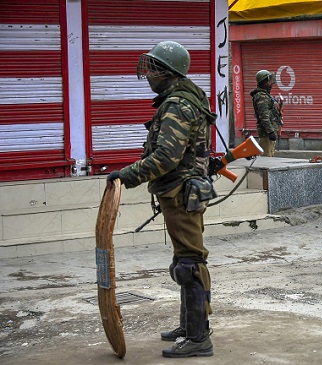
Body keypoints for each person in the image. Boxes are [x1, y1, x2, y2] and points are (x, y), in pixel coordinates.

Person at [105, 40, 217, 358]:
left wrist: (127, 175)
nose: (149, 73)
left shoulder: (178, 104)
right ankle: (190, 326)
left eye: (154, 67)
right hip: (177, 190)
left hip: (182, 192)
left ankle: (199, 337)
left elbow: (167, 156)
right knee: (183, 261)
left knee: (190, 264)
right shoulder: (177, 98)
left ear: (168, 73)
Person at [250, 70, 283, 157]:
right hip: (266, 133)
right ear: (264, 82)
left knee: (270, 156)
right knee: (266, 158)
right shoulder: (261, 96)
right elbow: (264, 116)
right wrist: (270, 131)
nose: (271, 84)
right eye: (269, 81)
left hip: (269, 132)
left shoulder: (265, 95)